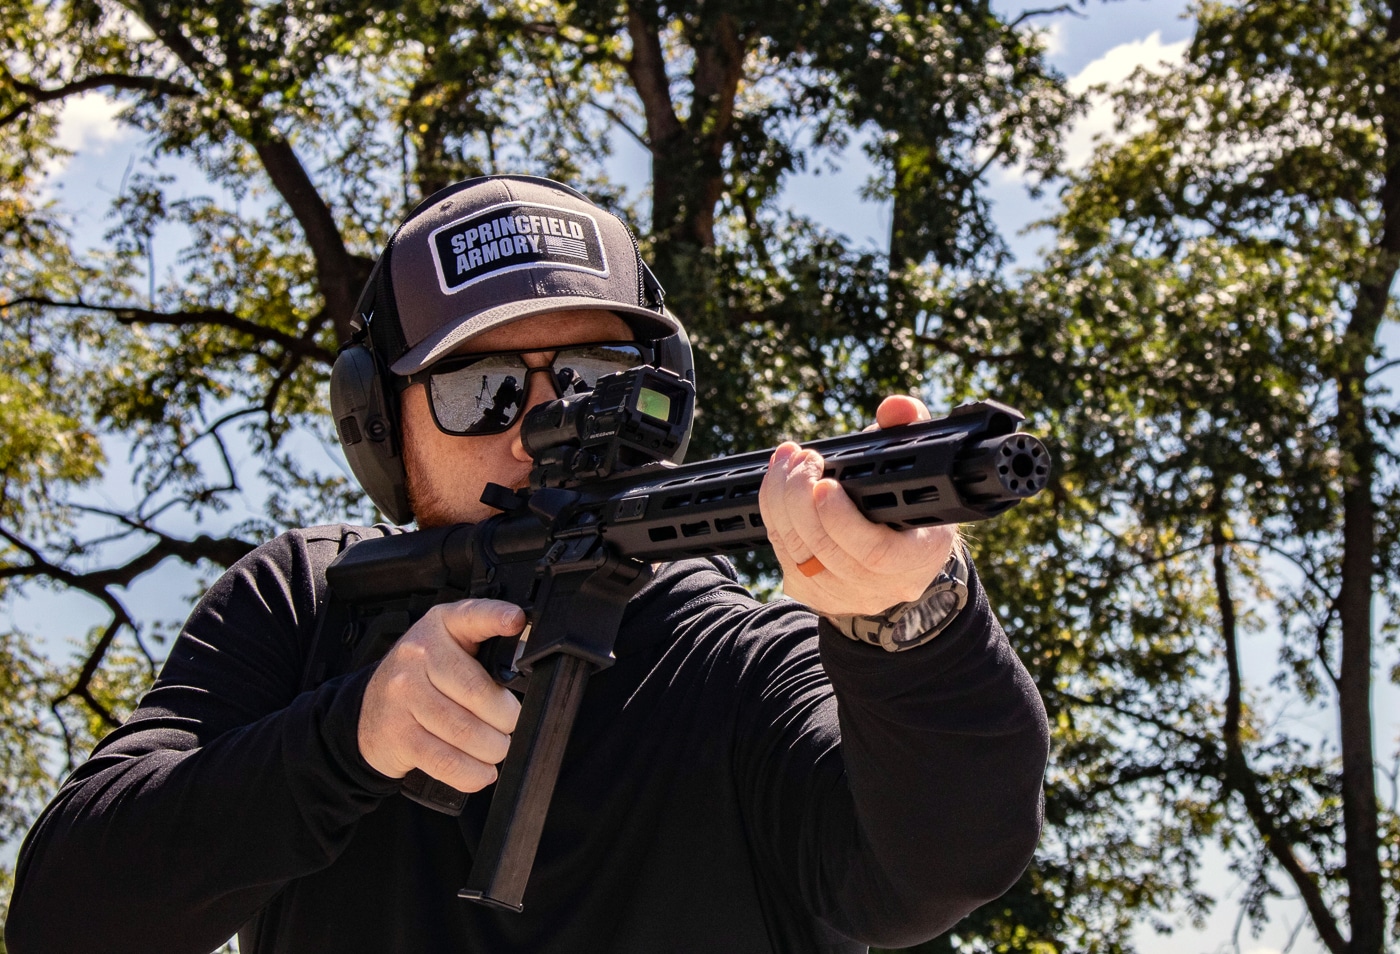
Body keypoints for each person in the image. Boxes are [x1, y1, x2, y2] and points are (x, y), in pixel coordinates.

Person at [6, 176, 1048, 954]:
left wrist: (910, 624)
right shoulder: (306, 605)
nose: (543, 421)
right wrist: (345, 740)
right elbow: (69, 916)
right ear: (381, 426)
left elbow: (937, 862)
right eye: (483, 387)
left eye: (594, 373)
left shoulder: (721, 654)